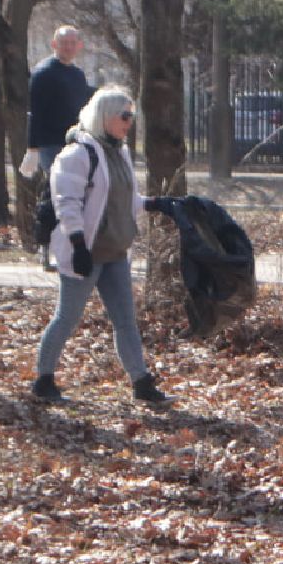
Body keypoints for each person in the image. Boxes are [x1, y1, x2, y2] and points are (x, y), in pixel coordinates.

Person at [31, 87, 173, 405]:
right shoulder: (78, 154)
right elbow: (66, 203)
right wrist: (78, 245)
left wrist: (155, 204)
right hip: (87, 253)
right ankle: (43, 379)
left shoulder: (119, 152)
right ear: (104, 116)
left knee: (125, 320)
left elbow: (122, 199)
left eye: (132, 116)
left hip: (115, 252)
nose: (129, 122)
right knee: (67, 317)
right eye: (124, 116)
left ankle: (141, 382)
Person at [24, 26, 94, 269]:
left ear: (79, 46)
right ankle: (46, 250)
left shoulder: (77, 75)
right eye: (64, 43)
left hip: (75, 144)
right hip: (51, 145)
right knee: (56, 196)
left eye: (73, 42)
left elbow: (84, 109)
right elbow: (35, 114)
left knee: (77, 196)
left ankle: (71, 248)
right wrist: (32, 148)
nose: (69, 47)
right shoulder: (43, 74)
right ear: (54, 45)